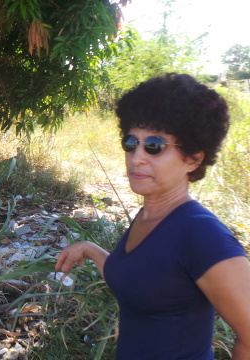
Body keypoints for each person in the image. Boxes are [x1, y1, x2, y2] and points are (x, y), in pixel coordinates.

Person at [55, 73, 250, 359]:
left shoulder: (203, 235)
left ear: (193, 158)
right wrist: (90, 250)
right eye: (131, 143)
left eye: (155, 146)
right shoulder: (148, 216)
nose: (137, 158)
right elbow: (140, 281)